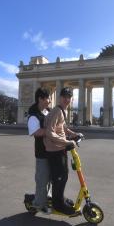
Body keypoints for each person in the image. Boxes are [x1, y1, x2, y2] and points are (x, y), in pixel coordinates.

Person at [44, 87, 82, 215]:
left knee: (63, 176)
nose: (67, 99)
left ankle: (60, 198)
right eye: (65, 96)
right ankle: (58, 204)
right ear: (60, 97)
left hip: (59, 148)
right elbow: (49, 132)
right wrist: (67, 142)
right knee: (59, 177)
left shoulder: (61, 111)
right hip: (54, 150)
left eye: (69, 97)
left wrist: (74, 134)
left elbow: (63, 127)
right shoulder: (57, 111)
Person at [27, 88, 52, 213]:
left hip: (53, 151)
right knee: (42, 179)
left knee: (51, 178)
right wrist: (52, 132)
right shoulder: (33, 115)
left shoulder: (49, 112)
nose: (50, 100)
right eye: (48, 98)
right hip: (42, 152)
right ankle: (38, 204)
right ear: (40, 99)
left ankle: (46, 199)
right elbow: (36, 132)